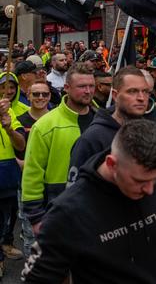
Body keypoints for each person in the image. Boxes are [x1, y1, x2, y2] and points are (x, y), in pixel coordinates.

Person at [21, 119, 156, 284]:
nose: (150, 189)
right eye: (139, 181)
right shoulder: (68, 212)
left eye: (155, 179)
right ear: (111, 164)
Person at [21, 63, 95, 233]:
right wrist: (35, 217)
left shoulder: (100, 120)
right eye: (82, 86)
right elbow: (33, 171)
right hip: (57, 209)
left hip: (94, 210)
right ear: (67, 88)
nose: (88, 91)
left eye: (91, 86)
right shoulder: (45, 125)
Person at [68, 66, 150, 181]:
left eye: (145, 91)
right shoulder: (92, 138)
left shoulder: (148, 132)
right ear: (115, 95)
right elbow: (75, 189)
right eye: (132, 91)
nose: (141, 98)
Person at [15, 82, 51, 258]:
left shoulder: (56, 119)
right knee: (31, 233)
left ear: (50, 96)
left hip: (52, 185)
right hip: (27, 184)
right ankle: (32, 271)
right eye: (36, 94)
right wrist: (19, 162)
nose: (40, 98)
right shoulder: (20, 120)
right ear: (28, 96)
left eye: (44, 94)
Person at [0, 97, 26, 276]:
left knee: (2, 223)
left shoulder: (8, 113)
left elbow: (21, 144)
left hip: (5, 178)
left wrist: (9, 128)